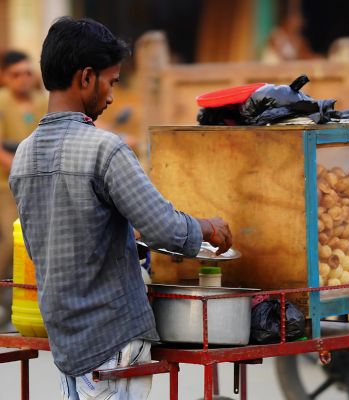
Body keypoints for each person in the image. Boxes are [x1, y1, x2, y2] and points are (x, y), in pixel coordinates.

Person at [9, 17, 232, 400]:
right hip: (112, 339)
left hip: (66, 340)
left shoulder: (23, 157)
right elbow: (165, 229)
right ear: (86, 78)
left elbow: (41, 246)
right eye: (111, 82)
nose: (112, 96)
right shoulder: (104, 149)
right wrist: (209, 227)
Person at [0, 50, 47, 327]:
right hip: (5, 184)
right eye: (16, 74)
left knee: (34, 242)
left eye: (28, 73)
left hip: (37, 183)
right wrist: (21, 166)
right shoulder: (2, 102)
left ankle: (28, 300)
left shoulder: (41, 102)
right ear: (5, 77)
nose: (23, 79)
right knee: (10, 241)